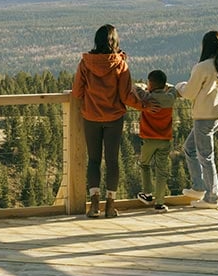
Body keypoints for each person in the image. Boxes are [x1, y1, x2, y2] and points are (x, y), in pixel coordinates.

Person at [71, 24, 144, 219]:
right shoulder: (120, 64)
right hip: (114, 118)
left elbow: (77, 92)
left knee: (93, 160)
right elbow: (126, 96)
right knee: (112, 161)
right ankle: (110, 206)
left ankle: (94, 205)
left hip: (91, 117)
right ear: (115, 41)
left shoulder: (85, 64)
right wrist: (144, 105)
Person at [176, 30, 218, 209]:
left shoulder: (202, 67)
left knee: (206, 157)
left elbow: (189, 93)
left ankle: (212, 197)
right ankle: (199, 187)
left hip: (204, 117)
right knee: (189, 148)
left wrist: (179, 86)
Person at [131, 70, 179, 214]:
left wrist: (143, 88)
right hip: (164, 140)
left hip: (148, 139)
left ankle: (147, 193)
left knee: (144, 164)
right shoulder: (170, 98)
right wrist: (167, 87)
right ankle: (159, 203)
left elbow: (134, 88)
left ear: (150, 84)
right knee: (161, 171)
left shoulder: (147, 97)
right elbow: (174, 90)